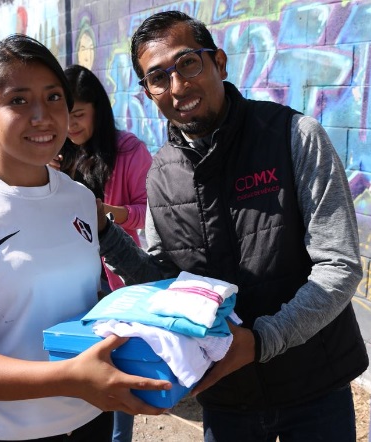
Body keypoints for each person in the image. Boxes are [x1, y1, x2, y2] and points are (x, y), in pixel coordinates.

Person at [96, 11, 369, 442]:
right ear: (148, 92)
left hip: (314, 387)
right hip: (227, 399)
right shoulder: (160, 174)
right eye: (158, 77)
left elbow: (338, 266)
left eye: (188, 63)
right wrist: (107, 234)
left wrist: (261, 341)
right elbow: (166, 286)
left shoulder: (294, 135)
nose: (178, 86)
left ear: (219, 63)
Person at [0, 34, 170, 441]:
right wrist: (66, 377)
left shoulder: (80, 199)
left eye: (53, 98)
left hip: (89, 419)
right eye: (18, 100)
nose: (42, 116)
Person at [54, 64, 152, 442]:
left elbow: (148, 213)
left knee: (113, 374)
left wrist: (111, 215)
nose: (70, 125)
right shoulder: (55, 154)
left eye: (78, 115)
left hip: (114, 281)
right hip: (68, 278)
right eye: (65, 116)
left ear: (98, 109)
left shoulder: (128, 150)